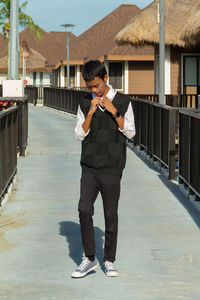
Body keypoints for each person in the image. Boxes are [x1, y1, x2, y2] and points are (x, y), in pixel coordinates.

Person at [72, 60, 135, 278]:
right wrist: (90, 111)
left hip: (112, 166)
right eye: (89, 87)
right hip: (89, 166)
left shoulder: (124, 101)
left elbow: (130, 133)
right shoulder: (83, 102)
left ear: (105, 78)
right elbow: (80, 134)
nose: (93, 90)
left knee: (110, 214)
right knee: (84, 209)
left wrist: (113, 111)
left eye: (96, 86)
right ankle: (89, 259)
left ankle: (109, 260)